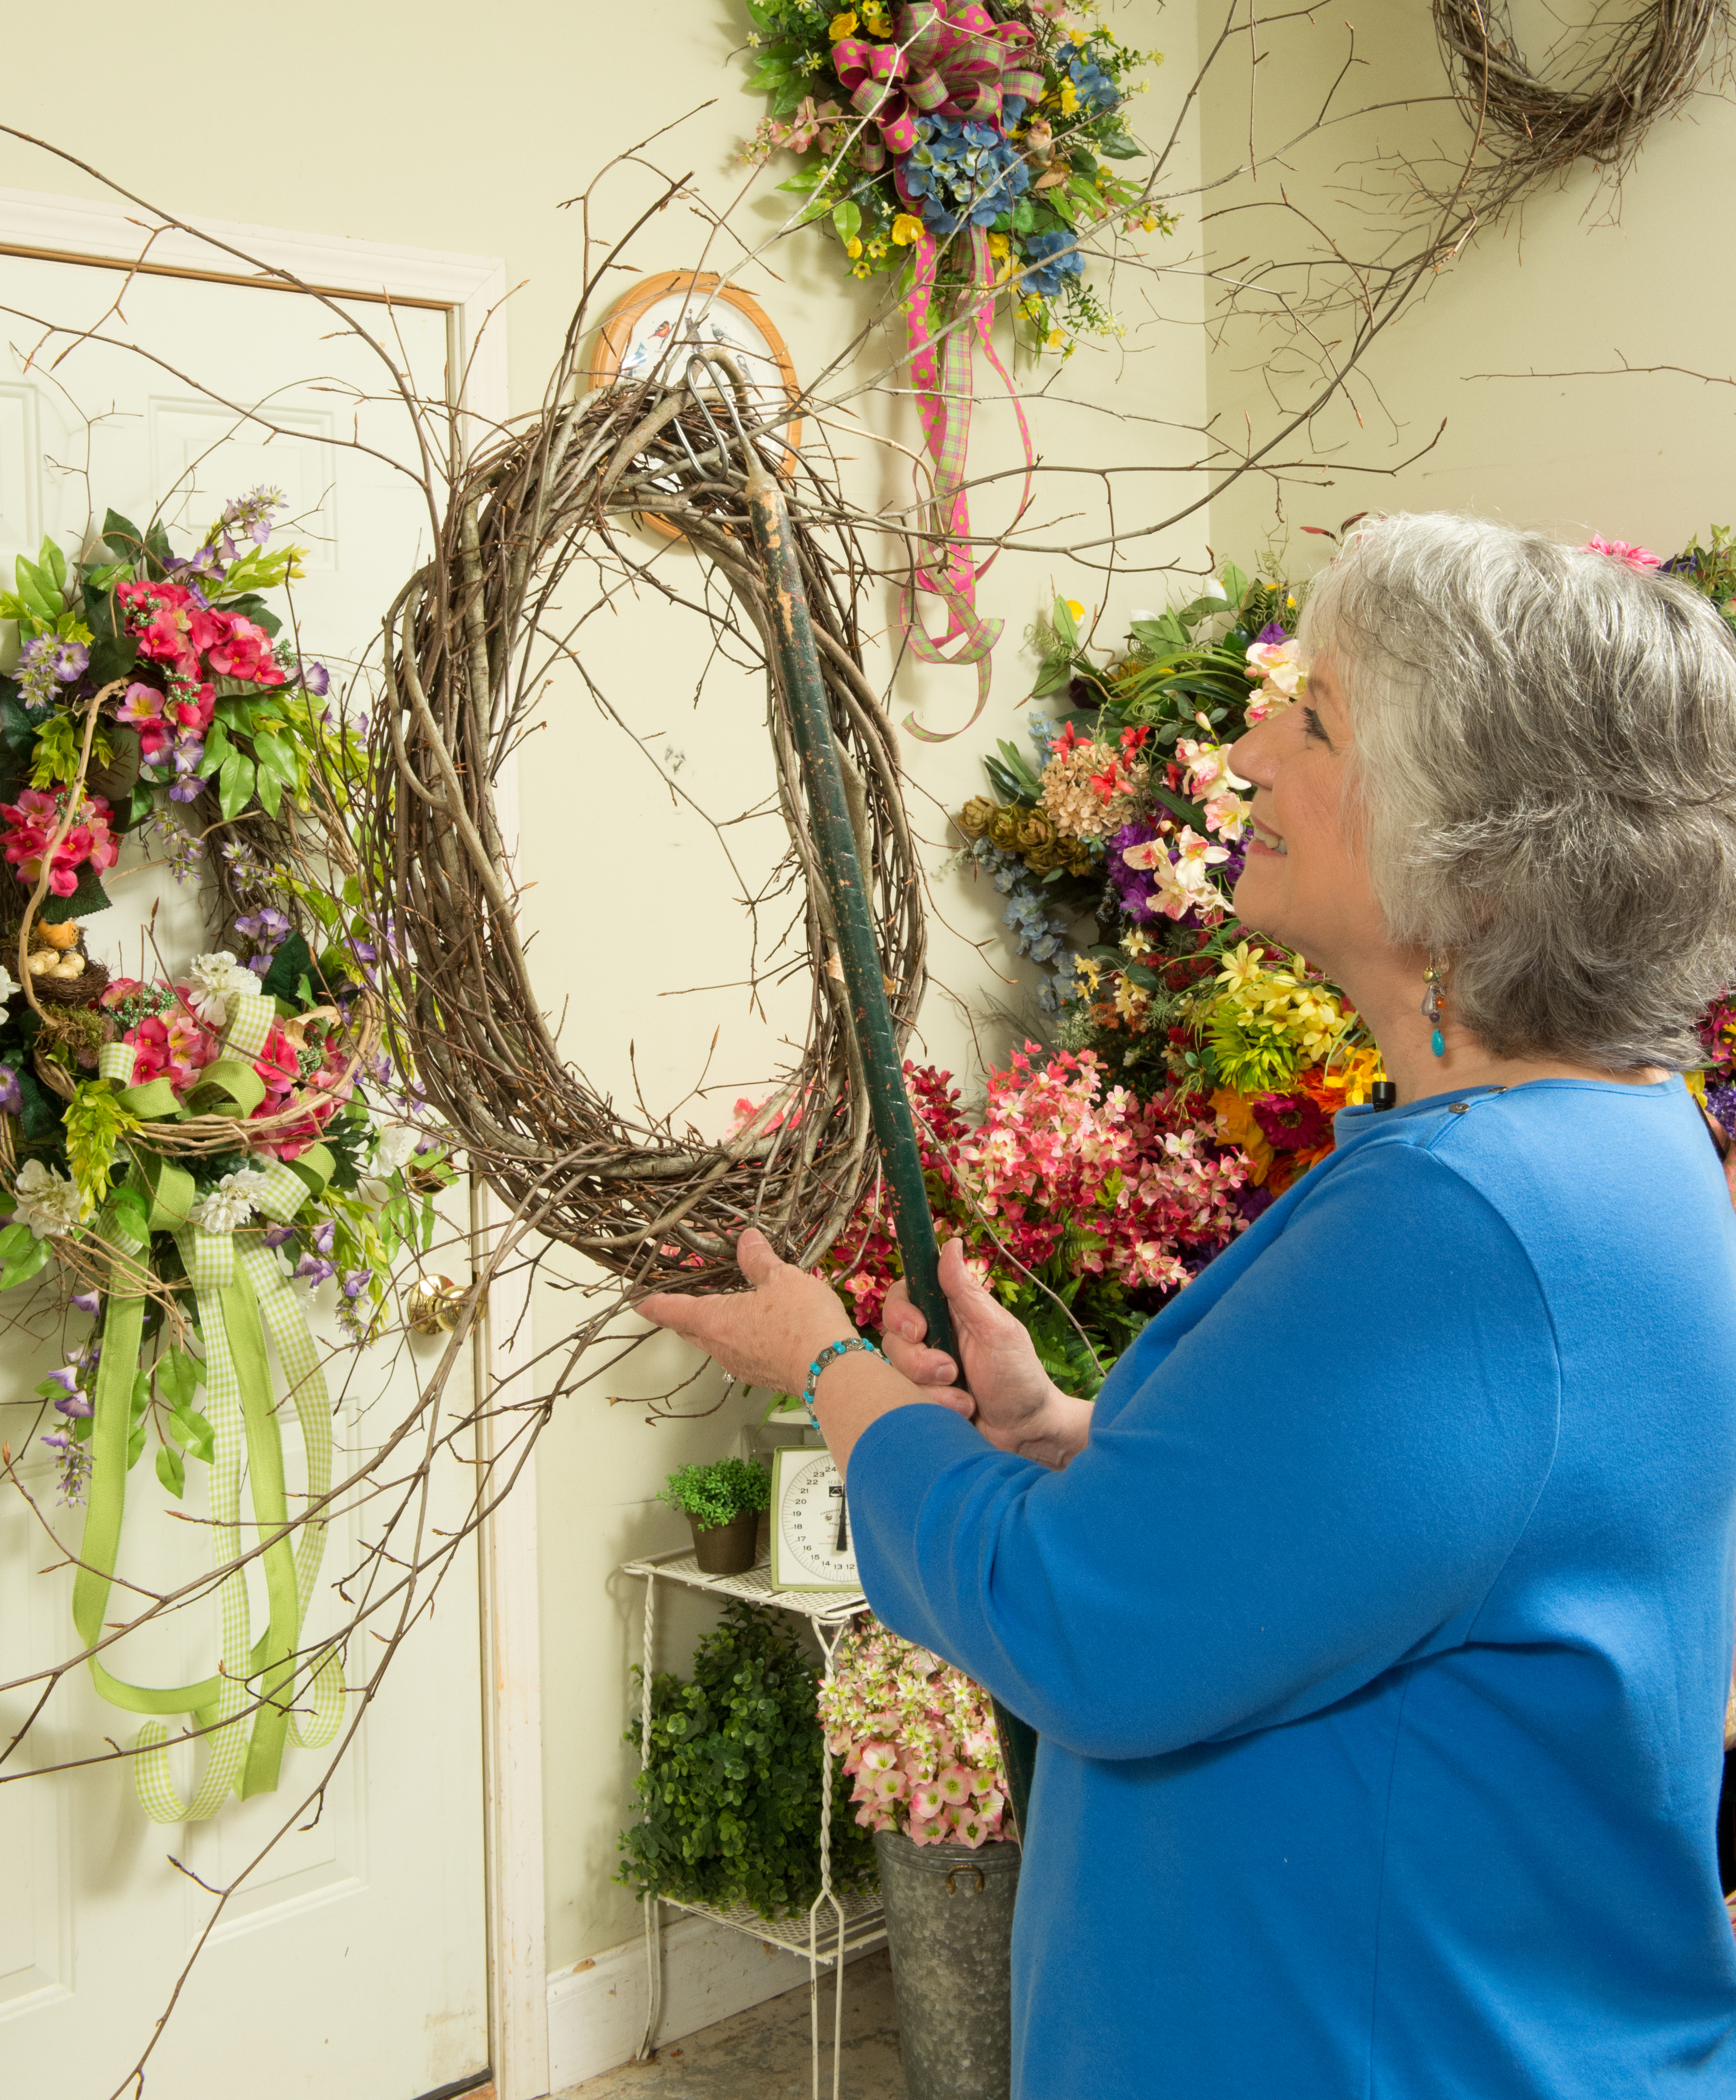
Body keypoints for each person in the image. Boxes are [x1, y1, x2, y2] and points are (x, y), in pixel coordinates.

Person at [637, 511, 1736, 2099]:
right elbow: (1422, 1526)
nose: (1246, 747)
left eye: (1316, 722)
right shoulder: (1627, 1142)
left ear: (1473, 853)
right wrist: (1070, 1434)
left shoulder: (1462, 1224)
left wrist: (830, 1373)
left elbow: (1085, 1627)